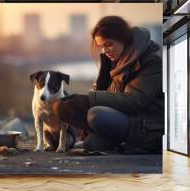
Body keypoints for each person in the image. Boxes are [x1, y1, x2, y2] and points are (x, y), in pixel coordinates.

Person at [52, 16, 164, 154]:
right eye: (101, 46)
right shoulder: (116, 61)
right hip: (123, 119)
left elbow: (135, 101)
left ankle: (122, 140)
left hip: (144, 126)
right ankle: (114, 139)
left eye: (108, 44)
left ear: (124, 39)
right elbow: (109, 97)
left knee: (96, 115)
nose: (104, 51)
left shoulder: (152, 61)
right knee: (63, 107)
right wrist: (103, 75)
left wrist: (91, 99)